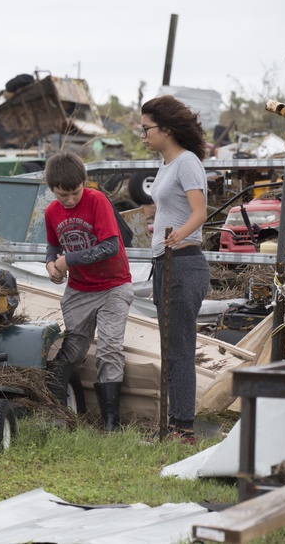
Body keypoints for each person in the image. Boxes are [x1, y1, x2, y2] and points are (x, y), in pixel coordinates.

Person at [43, 152, 133, 431]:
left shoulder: (97, 201)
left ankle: (110, 422)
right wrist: (51, 265)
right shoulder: (51, 213)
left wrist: (68, 260)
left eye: (74, 193)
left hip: (113, 285)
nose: (69, 200)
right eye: (62, 195)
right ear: (51, 190)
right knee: (73, 347)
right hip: (79, 289)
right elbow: (53, 247)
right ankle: (58, 409)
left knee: (109, 347)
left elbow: (110, 246)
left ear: (85, 182)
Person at [142, 94, 209, 444]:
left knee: (180, 347)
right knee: (170, 348)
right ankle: (171, 426)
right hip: (164, 263)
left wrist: (176, 235)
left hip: (183, 263)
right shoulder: (166, 165)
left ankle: (183, 429)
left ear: (166, 129)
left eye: (146, 128)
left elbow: (199, 213)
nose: (143, 135)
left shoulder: (187, 162)